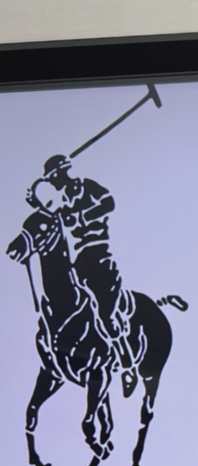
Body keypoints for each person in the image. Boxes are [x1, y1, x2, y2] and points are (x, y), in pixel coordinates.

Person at [36, 154, 136, 395]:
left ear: (62, 173)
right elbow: (53, 221)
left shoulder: (86, 187)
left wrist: (80, 216)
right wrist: (36, 203)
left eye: (53, 178)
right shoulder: (63, 202)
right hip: (78, 260)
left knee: (105, 315)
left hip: (99, 255)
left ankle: (127, 364)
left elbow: (108, 203)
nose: (53, 183)